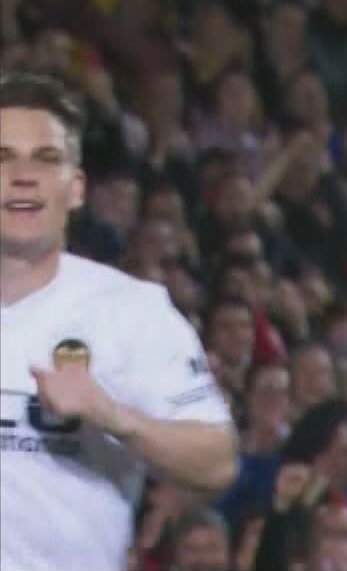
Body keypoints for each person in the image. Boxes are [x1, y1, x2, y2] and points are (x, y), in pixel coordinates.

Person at [0, 69, 239, 570]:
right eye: (3, 157)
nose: (23, 175)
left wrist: (113, 416)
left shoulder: (131, 312)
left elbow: (217, 460)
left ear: (76, 188)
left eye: (46, 159)